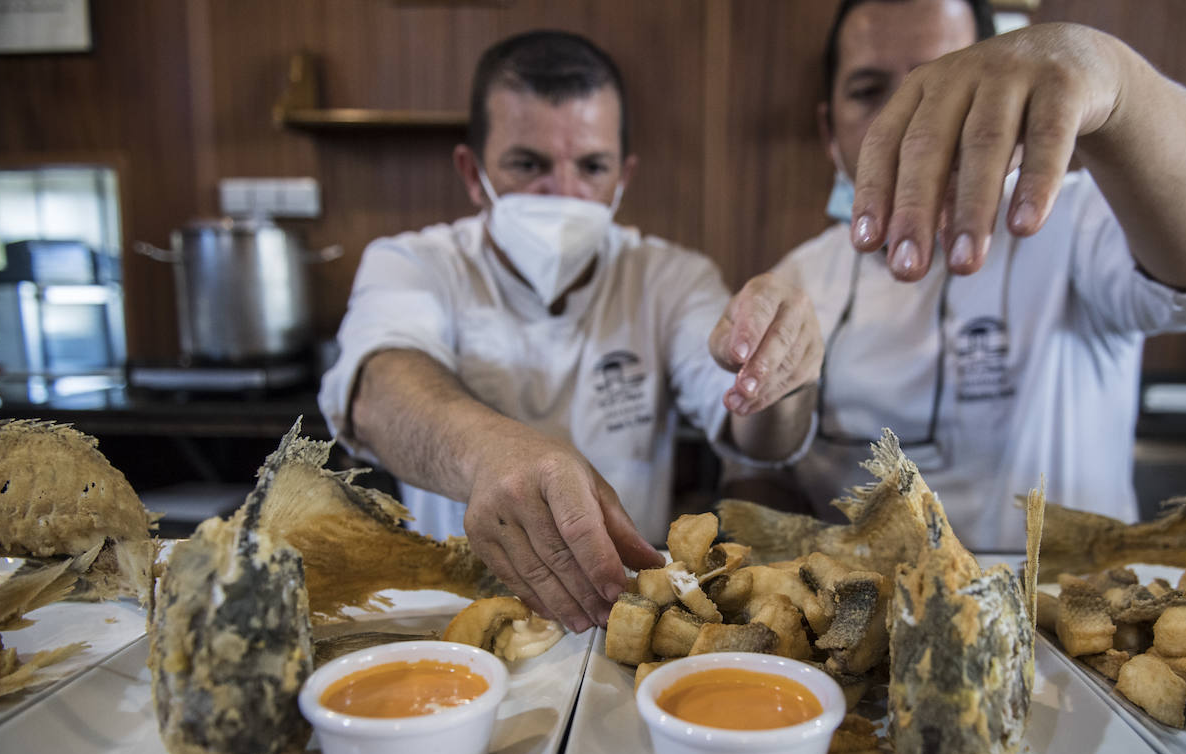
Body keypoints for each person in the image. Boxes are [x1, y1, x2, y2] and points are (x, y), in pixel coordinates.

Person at [739, 0, 1186, 552]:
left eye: (939, 86)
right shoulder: (801, 276)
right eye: (868, 93)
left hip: (1064, 631)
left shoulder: (1071, 218)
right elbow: (761, 469)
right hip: (863, 632)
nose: (907, 121)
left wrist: (1118, 87)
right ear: (827, 130)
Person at [319, 30, 822, 631]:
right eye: (528, 164)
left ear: (623, 177)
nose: (563, 193)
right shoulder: (414, 264)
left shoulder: (668, 277)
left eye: (591, 167)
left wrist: (780, 374)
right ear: (473, 173)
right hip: (453, 618)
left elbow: (755, 436)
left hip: (627, 617)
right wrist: (489, 454)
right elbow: (378, 389)